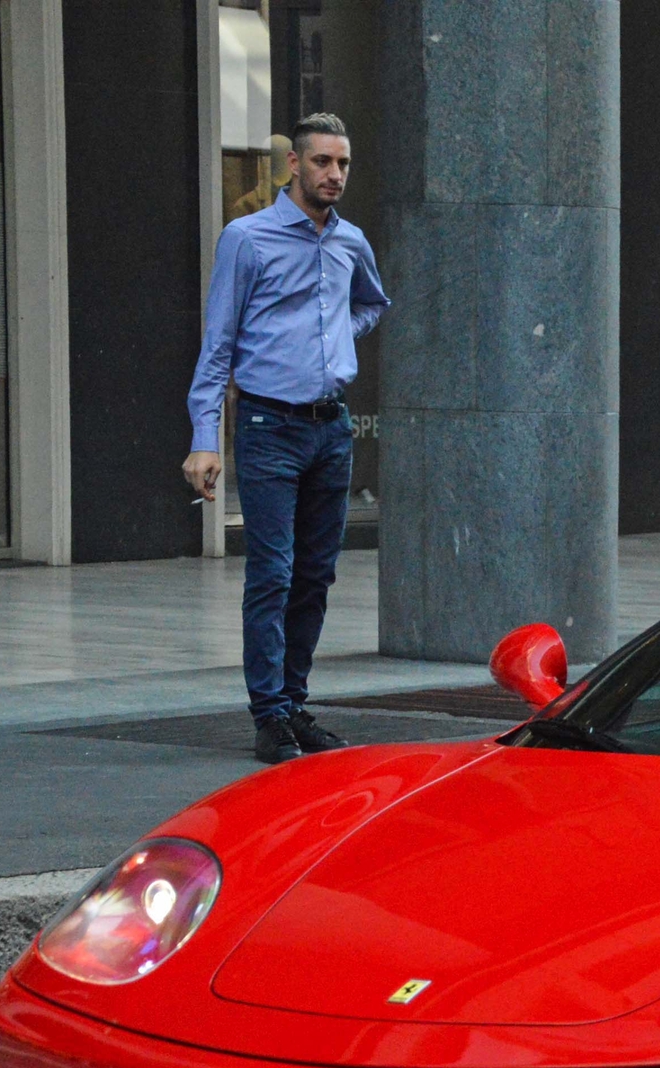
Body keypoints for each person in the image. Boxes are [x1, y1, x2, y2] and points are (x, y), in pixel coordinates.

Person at [185, 112, 392, 764]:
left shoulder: (351, 242)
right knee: (271, 574)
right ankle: (269, 715)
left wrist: (331, 339)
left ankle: (295, 704)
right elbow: (217, 345)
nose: (334, 174)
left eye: (343, 163)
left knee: (315, 575)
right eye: (323, 162)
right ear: (294, 166)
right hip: (268, 425)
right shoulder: (247, 240)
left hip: (331, 428)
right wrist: (204, 437)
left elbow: (373, 303)